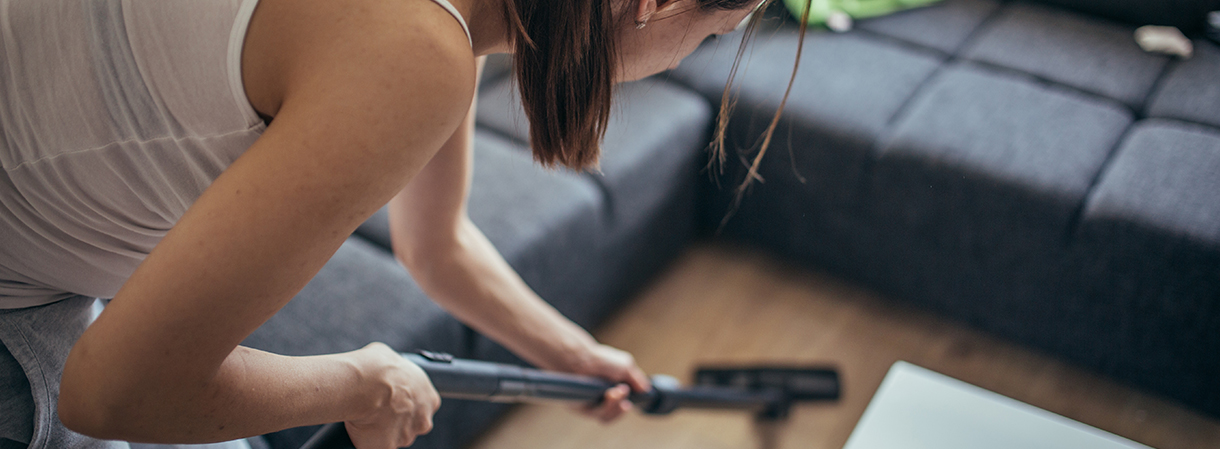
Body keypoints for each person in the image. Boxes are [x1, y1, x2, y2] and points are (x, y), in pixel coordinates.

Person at [0, 0, 771, 447]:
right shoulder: (413, 51)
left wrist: (572, 354)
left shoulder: (447, 24)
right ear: (654, 4)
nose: (689, 55)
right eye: (715, 34)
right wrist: (365, 383)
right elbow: (110, 393)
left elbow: (436, 245)